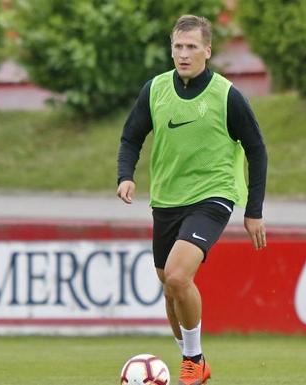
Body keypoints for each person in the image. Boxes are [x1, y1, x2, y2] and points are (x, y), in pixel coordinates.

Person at [116, 14, 268, 385]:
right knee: (169, 286)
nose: (183, 55)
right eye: (178, 47)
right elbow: (130, 138)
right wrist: (125, 177)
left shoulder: (226, 95)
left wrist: (254, 211)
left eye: (192, 47)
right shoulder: (154, 90)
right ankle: (191, 359)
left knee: (180, 276)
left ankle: (194, 360)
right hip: (166, 200)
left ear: (207, 51)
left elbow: (257, 150)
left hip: (213, 195)